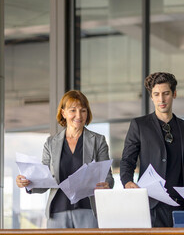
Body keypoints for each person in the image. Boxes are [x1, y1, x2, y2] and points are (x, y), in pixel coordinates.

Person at [16, 90, 114, 228]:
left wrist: (107, 184)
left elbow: (108, 177)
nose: (78, 116)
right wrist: (27, 183)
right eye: (73, 110)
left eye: (83, 110)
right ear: (63, 113)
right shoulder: (51, 143)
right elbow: (44, 178)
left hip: (88, 210)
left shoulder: (98, 141)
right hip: (57, 212)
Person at [120, 72, 184, 227]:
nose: (161, 99)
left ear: (174, 94)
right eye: (156, 94)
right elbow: (128, 160)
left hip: (182, 205)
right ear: (151, 97)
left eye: (166, 93)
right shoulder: (139, 125)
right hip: (152, 205)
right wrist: (127, 181)